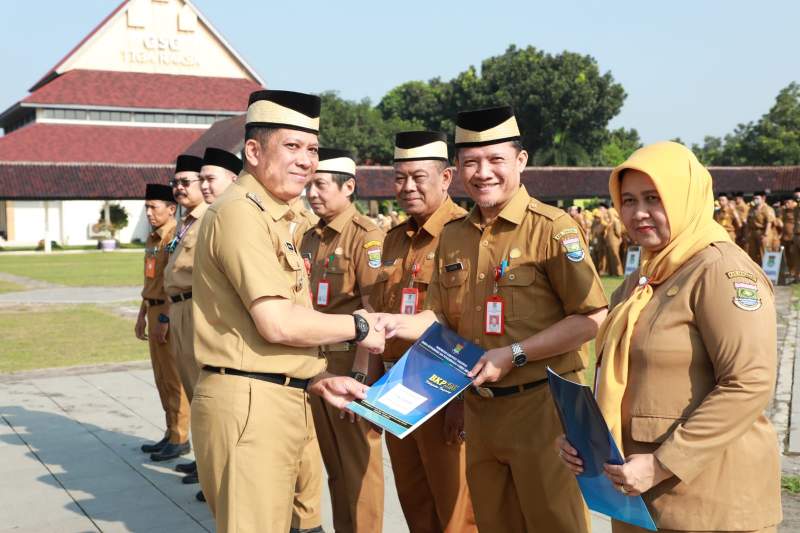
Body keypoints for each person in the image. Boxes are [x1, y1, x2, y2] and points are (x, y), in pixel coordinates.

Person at [373, 106, 608, 531]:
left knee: (554, 523)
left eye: (496, 160)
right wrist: (392, 325)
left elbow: (592, 317)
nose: (483, 173)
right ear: (458, 169)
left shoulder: (552, 229)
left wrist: (514, 354)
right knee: (492, 523)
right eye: (471, 163)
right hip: (482, 413)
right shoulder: (455, 234)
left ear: (520, 161)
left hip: (543, 409)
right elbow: (441, 317)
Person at [557, 141, 782, 533]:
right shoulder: (638, 282)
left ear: (685, 198)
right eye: (627, 200)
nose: (638, 213)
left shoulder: (720, 272)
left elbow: (749, 383)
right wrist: (585, 439)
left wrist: (662, 463)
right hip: (637, 498)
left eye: (653, 198)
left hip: (710, 506)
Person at [190, 89, 383, 533]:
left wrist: (314, 377)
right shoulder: (240, 213)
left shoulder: (276, 216)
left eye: (312, 149)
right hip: (249, 406)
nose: (305, 161)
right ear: (253, 151)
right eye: (291, 147)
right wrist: (359, 326)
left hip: (281, 395)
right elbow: (275, 322)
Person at [368, 130, 476, 532]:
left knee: (456, 511)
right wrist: (373, 391)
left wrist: (461, 402)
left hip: (443, 388)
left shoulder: (464, 235)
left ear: (446, 178)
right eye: (399, 178)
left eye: (418, 177)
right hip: (397, 389)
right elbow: (382, 314)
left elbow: (469, 325)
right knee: (414, 501)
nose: (407, 187)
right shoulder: (394, 239)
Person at [300, 148, 385, 533]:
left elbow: (373, 313)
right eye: (309, 185)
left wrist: (362, 377)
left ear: (348, 186)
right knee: (335, 469)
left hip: (351, 367)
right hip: (318, 366)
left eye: (320, 184)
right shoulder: (309, 237)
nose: (312, 193)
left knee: (360, 473)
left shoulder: (366, 237)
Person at [174, 147, 243, 487]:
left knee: (208, 393)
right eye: (196, 180)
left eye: (206, 179)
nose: (201, 186)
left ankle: (215, 471)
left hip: (203, 310)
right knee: (194, 389)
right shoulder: (190, 221)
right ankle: (206, 464)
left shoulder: (218, 219)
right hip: (182, 309)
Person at [147, 154, 204, 462]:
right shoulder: (185, 224)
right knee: (170, 378)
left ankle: (187, 443)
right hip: (172, 307)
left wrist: (166, 316)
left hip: (188, 310)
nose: (179, 188)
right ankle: (176, 435)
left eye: (186, 182)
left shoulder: (208, 220)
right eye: (176, 182)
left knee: (193, 386)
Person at [137, 184, 190, 457]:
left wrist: (163, 319)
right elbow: (150, 281)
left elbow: (173, 283)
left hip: (167, 314)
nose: (148, 212)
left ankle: (180, 437)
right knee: (161, 378)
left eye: (153, 207)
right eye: (146, 207)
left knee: (174, 379)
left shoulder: (174, 238)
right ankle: (170, 431)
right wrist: (141, 316)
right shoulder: (152, 238)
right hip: (153, 308)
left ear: (171, 209)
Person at [744, 191, 775, 266]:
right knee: (752, 253)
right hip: (753, 233)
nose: (755, 200)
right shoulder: (752, 209)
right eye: (754, 198)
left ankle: (766, 272)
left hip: (763, 232)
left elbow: (769, 222)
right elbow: (748, 222)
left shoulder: (767, 209)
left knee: (764, 253)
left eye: (757, 198)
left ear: (763, 198)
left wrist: (765, 235)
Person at [605, 206, 624, 276]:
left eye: (608, 214)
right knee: (611, 257)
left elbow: (618, 232)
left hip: (614, 242)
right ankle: (612, 272)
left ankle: (619, 272)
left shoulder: (615, 221)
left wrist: (620, 238)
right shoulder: (609, 223)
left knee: (615, 257)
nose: (607, 215)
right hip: (609, 242)